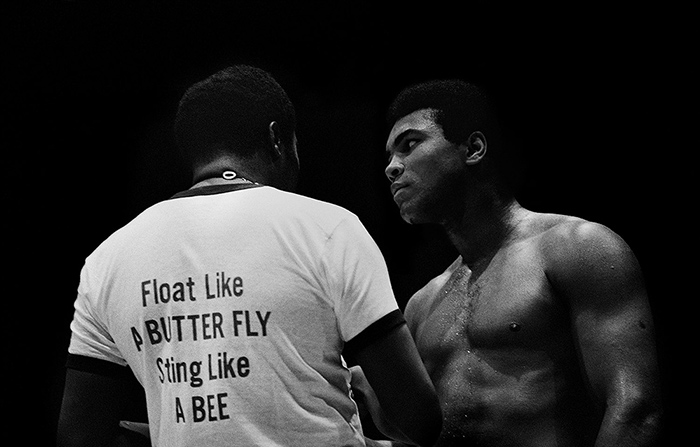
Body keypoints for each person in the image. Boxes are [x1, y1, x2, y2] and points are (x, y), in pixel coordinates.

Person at [57, 65, 441, 447]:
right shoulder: (328, 229)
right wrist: (366, 391)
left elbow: (79, 435)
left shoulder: (105, 261)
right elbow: (419, 420)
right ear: (278, 139)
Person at [353, 79, 663, 446]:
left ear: (473, 148)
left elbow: (635, 409)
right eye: (389, 157)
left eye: (409, 145)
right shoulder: (423, 305)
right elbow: (424, 439)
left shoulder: (577, 248)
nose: (392, 168)